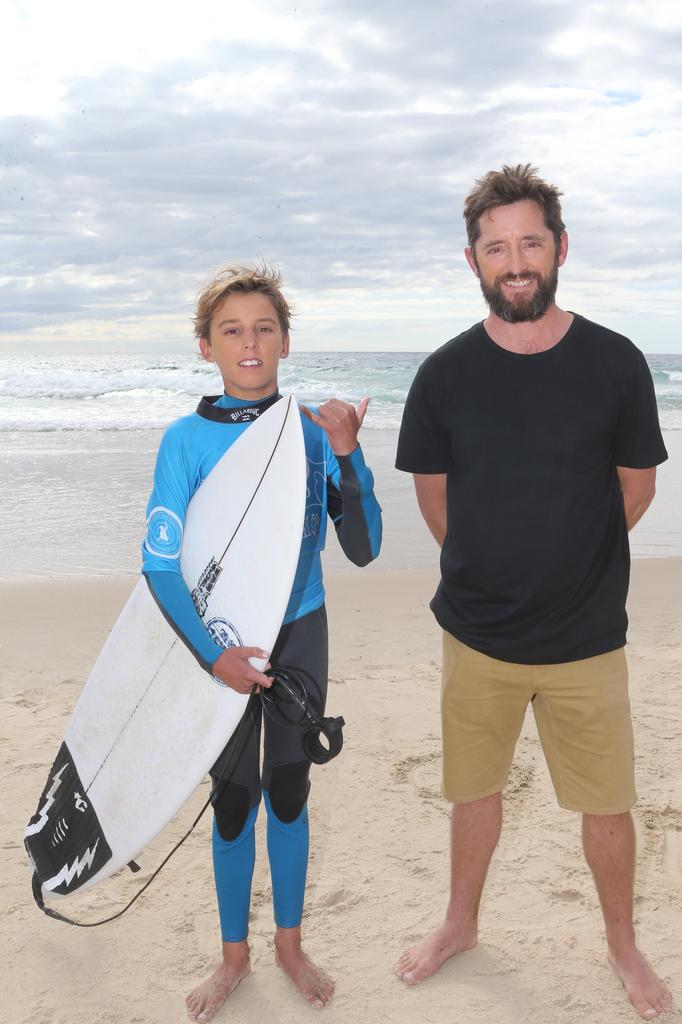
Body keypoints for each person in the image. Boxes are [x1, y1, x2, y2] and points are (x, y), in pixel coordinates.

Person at [394, 164, 671, 1020]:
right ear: (472, 259)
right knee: (472, 792)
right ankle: (460, 923)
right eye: (496, 247)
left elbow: (636, 486)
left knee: (607, 807)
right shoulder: (443, 375)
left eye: (530, 243)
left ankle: (622, 943)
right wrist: (493, 564)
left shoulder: (616, 362)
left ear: (559, 248)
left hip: (588, 636)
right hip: (476, 634)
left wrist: (567, 561)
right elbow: (434, 497)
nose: (515, 261)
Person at [140, 264, 382, 1021]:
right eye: (232, 330)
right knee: (234, 801)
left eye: (264, 328)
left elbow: (365, 547)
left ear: (284, 341)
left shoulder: (312, 434)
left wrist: (348, 456)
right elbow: (159, 565)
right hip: (219, 645)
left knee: (288, 790)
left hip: (300, 631)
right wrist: (215, 657)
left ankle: (288, 944)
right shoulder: (184, 442)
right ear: (206, 346)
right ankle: (234, 959)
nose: (250, 342)